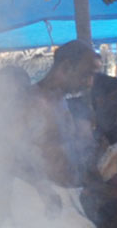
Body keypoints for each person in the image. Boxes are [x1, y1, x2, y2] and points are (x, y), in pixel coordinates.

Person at [29, 40, 99, 186]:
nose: (89, 83)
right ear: (66, 67)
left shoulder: (60, 101)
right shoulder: (31, 103)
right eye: (86, 75)